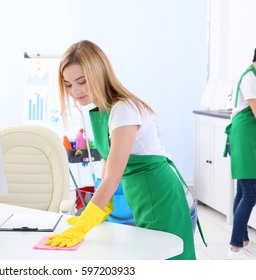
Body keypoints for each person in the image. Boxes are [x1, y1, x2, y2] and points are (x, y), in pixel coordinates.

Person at [45, 40, 197, 260]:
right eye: (68, 85)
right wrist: (100, 207)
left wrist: (84, 225)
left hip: (162, 198)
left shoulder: (123, 109)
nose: (75, 91)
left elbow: (113, 177)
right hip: (144, 196)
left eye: (81, 81)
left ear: (99, 74)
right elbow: (109, 161)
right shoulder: (103, 110)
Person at [224, 48, 256, 260]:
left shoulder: (249, 75)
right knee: (250, 193)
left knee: (243, 192)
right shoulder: (251, 78)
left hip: (246, 136)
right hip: (245, 138)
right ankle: (234, 247)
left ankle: (242, 239)